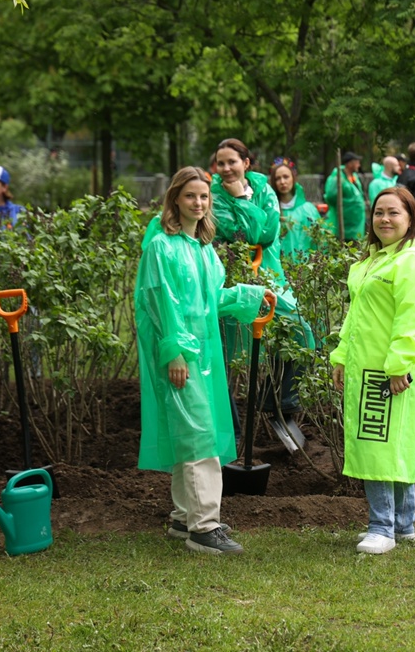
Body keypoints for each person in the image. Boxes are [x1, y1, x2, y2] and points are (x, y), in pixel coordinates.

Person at [135, 167, 270, 555]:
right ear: (175, 198)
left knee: (189, 433)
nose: (198, 202)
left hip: (205, 353)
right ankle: (204, 526)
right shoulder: (161, 245)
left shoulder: (203, 248)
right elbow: (159, 301)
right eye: (190, 195)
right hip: (182, 354)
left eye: (204, 196)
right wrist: (173, 350)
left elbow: (209, 300)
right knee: (200, 436)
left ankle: (183, 518)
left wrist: (251, 296)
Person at [330, 186, 415, 554]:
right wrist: (341, 356)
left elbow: (414, 318)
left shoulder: (413, 261)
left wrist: (398, 366)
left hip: (392, 369)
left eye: (394, 213)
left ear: (411, 218)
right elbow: (356, 318)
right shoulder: (375, 261)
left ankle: (383, 528)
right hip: (369, 367)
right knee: (389, 443)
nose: (385, 219)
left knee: (384, 445)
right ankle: (403, 524)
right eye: (379, 212)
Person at [212, 139, 312, 423]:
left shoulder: (264, 188)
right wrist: (242, 200)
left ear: (246, 163)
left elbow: (266, 234)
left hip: (269, 276)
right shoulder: (214, 195)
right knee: (229, 355)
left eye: (232, 162)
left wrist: (242, 201)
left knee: (301, 332)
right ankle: (229, 426)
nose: (226, 168)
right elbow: (239, 233)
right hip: (234, 282)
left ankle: (277, 402)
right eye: (221, 163)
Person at [269, 157, 321, 261]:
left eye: (286, 177)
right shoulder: (270, 210)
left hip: (305, 269)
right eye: (277, 178)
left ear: (293, 178)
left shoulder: (308, 210)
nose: (282, 182)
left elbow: (319, 243)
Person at [323, 151, 367, 242]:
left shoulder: (354, 177)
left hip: (356, 225)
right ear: (350, 163)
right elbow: (331, 197)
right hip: (344, 225)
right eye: (357, 162)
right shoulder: (338, 179)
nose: (359, 165)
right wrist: (348, 205)